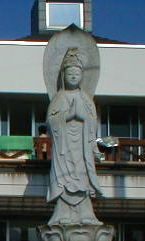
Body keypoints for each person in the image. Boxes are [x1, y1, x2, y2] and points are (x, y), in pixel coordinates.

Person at [46, 48, 103, 226]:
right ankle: (62, 213)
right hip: (64, 149)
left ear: (82, 76)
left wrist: (84, 118)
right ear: (63, 76)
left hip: (82, 147)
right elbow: (51, 122)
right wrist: (69, 115)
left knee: (82, 176)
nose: (73, 77)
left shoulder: (85, 99)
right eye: (70, 73)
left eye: (77, 74)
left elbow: (93, 122)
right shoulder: (59, 97)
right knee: (65, 178)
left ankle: (86, 214)